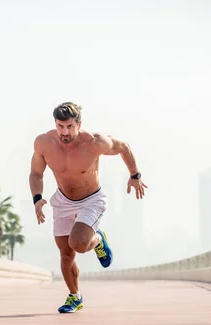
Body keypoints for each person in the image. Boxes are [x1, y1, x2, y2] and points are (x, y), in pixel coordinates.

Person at [29, 101, 147, 313]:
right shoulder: (44, 143)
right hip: (63, 200)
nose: (64, 132)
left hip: (91, 199)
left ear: (79, 124)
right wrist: (37, 198)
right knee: (65, 254)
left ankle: (98, 240)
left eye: (70, 126)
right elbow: (36, 173)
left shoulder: (94, 143)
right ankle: (75, 297)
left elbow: (124, 147)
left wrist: (135, 175)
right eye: (60, 126)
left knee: (79, 244)